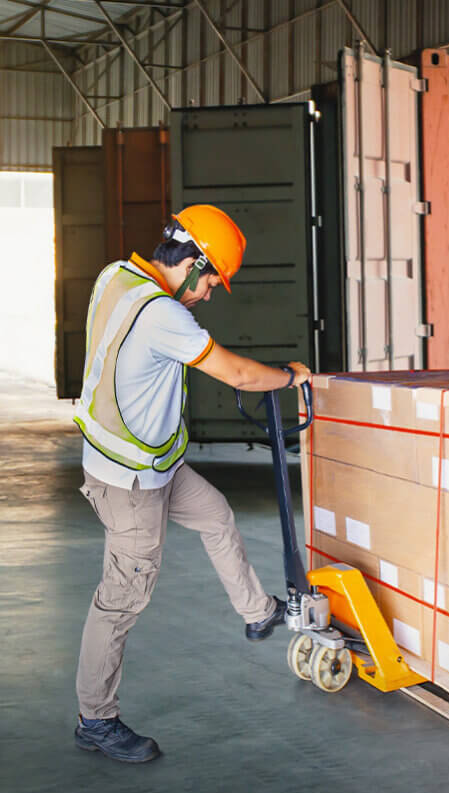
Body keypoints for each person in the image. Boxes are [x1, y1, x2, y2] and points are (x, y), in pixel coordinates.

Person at [72, 204, 310, 764]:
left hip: (153, 463)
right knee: (122, 598)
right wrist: (293, 376)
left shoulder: (116, 276)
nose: (208, 295)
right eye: (211, 282)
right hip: (128, 480)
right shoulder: (163, 315)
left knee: (215, 513)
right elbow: (238, 374)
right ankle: (95, 720)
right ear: (193, 262)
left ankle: (257, 612)